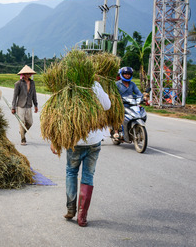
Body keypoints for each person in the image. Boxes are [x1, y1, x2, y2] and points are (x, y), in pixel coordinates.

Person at [50, 81, 111, 227]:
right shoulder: (95, 84)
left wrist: (54, 140)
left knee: (71, 172)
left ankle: (71, 209)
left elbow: (57, 114)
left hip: (75, 141)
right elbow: (107, 105)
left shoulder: (67, 84)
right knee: (88, 176)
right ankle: (82, 217)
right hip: (94, 140)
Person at [12, 65, 38, 145]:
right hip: (21, 106)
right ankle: (23, 139)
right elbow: (15, 96)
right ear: (23, 74)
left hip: (29, 105)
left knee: (30, 122)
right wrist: (13, 107)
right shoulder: (18, 84)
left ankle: (22, 132)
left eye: (30, 73)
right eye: (27, 73)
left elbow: (34, 94)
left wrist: (36, 105)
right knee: (21, 122)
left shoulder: (32, 83)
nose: (29, 75)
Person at [114, 66, 143, 139]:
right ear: (122, 74)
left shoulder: (132, 84)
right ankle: (116, 132)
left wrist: (142, 97)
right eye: (125, 74)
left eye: (129, 74)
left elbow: (138, 93)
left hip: (131, 104)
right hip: (120, 104)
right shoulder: (117, 84)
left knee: (139, 112)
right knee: (118, 116)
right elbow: (113, 94)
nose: (127, 75)